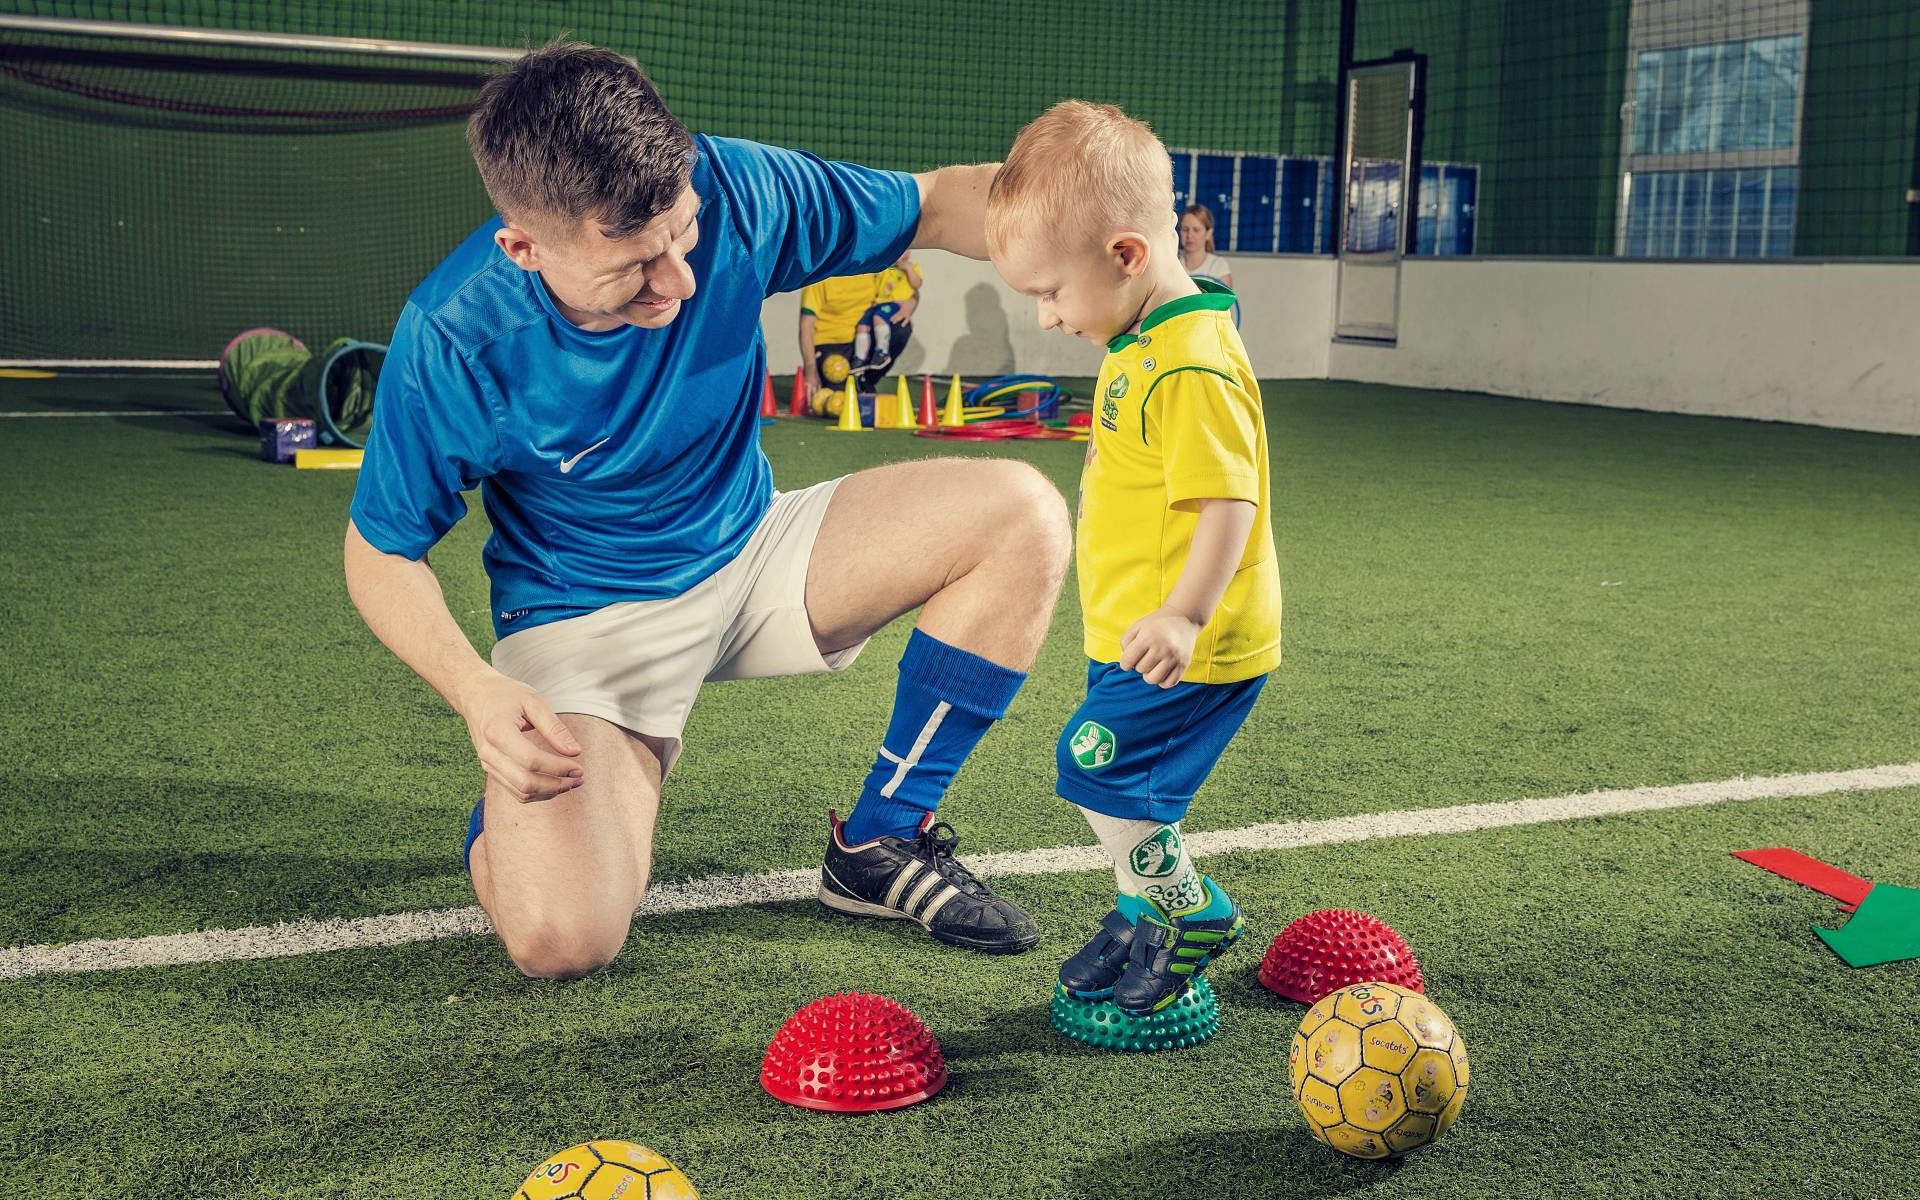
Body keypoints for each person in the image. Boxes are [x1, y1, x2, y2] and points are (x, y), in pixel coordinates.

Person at [343, 42, 1070, 980]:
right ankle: (538, 817)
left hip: (756, 550)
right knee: (562, 941)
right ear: (523, 248)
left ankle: (879, 845)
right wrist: (474, 691)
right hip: (586, 623)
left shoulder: (737, 189)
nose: (678, 282)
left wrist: (1096, 245)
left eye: (681, 238)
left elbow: (940, 201)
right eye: (634, 268)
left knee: (1021, 513)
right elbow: (381, 551)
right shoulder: (455, 338)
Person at [985, 101, 1280, 1015]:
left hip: (1190, 635)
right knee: (1132, 781)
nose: (1045, 319)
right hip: (1134, 627)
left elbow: (1228, 500)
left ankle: (1191, 911)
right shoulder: (1143, 335)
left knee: (1095, 766)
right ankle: (1137, 907)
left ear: (1125, 255)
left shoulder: (1188, 361)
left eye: (1051, 293)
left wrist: (1186, 614)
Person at [798, 269, 879, 411]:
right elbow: (806, 326)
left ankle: (867, 381)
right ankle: (854, 385)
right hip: (829, 343)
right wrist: (810, 369)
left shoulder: (873, 268)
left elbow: (904, 292)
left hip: (862, 341)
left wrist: (909, 305)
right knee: (838, 401)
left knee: (900, 328)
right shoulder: (819, 276)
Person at [1177, 203, 1233, 290]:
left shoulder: (1219, 266)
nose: (1189, 235)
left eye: (1196, 230)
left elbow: (1225, 302)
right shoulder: (1175, 265)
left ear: (1208, 233)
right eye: (1185, 229)